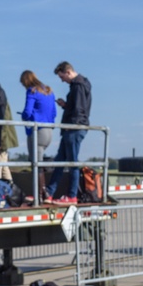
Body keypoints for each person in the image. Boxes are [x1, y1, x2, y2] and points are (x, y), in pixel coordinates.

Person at [45, 61, 91, 204]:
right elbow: (78, 107)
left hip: (74, 128)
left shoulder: (77, 86)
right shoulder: (82, 84)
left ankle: (71, 196)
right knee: (60, 161)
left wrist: (72, 125)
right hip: (74, 127)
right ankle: (50, 192)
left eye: (62, 77)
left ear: (68, 72)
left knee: (72, 163)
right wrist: (66, 105)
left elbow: (78, 109)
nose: (62, 80)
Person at [19, 70, 57, 162]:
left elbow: (27, 112)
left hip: (38, 131)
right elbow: (54, 113)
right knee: (39, 163)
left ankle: (40, 177)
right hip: (49, 130)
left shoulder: (32, 91)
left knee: (36, 165)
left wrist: (23, 116)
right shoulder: (49, 91)